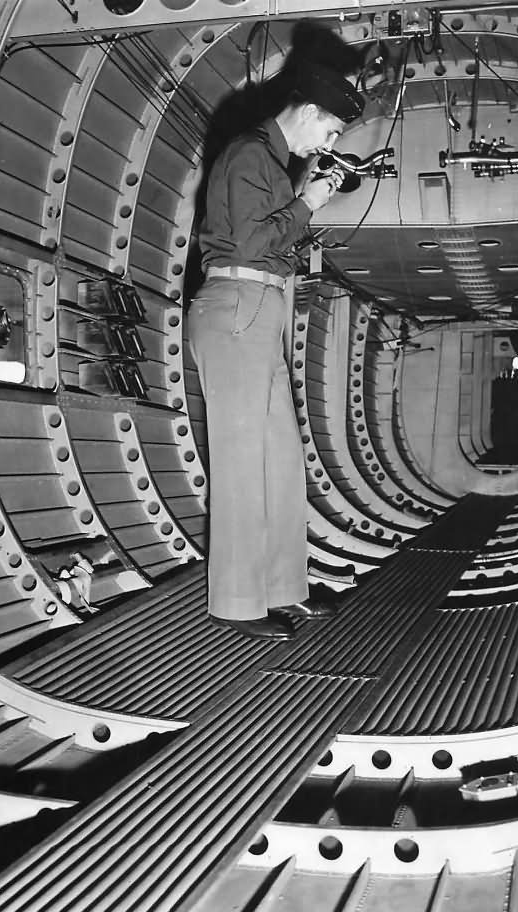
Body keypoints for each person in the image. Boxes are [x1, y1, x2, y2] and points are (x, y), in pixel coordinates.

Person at [187, 64, 365, 639]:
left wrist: (308, 192)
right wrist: (309, 200)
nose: (329, 143)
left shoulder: (271, 164)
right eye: (332, 132)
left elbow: (269, 238)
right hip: (235, 307)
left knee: (282, 461)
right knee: (242, 466)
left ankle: (284, 588)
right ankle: (236, 603)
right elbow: (251, 241)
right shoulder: (247, 154)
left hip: (259, 309)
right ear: (309, 113)